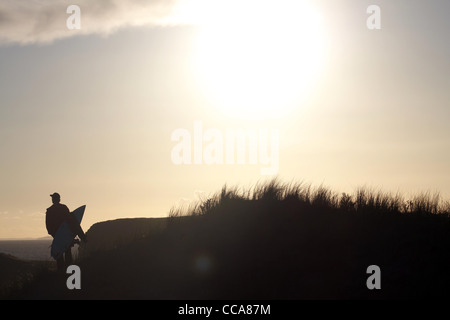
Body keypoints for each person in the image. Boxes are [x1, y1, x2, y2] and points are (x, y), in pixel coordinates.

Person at [46, 193, 87, 272]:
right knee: (67, 252)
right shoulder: (63, 208)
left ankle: (61, 271)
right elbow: (71, 221)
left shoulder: (50, 210)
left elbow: (48, 226)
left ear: (55, 199)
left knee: (60, 254)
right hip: (64, 234)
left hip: (58, 235)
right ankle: (68, 271)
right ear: (59, 199)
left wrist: (54, 234)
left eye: (53, 198)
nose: (52, 199)